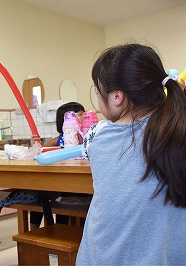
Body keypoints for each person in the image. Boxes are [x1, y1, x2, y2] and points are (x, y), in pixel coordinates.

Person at [77, 43, 186, 265]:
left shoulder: (100, 139)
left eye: (98, 92)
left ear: (117, 97)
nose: (98, 100)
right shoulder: (178, 129)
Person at [29, 102, 85, 230]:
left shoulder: (86, 138)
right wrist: (35, 146)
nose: (85, 116)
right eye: (81, 114)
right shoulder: (57, 141)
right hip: (62, 185)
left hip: (79, 184)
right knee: (42, 194)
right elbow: (39, 154)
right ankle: (37, 231)